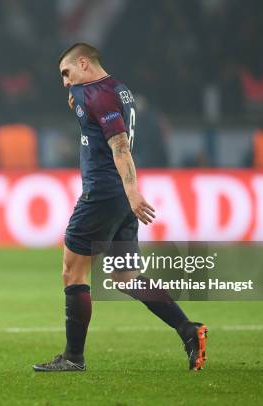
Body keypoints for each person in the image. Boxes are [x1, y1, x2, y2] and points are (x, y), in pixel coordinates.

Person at [33, 43, 208, 372]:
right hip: (118, 199)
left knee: (73, 271)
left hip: (103, 194)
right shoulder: (118, 90)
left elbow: (119, 145)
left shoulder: (98, 96)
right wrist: (79, 103)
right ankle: (188, 330)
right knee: (126, 276)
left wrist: (132, 191)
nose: (65, 83)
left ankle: (73, 357)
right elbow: (99, 122)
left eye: (66, 73)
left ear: (83, 63)